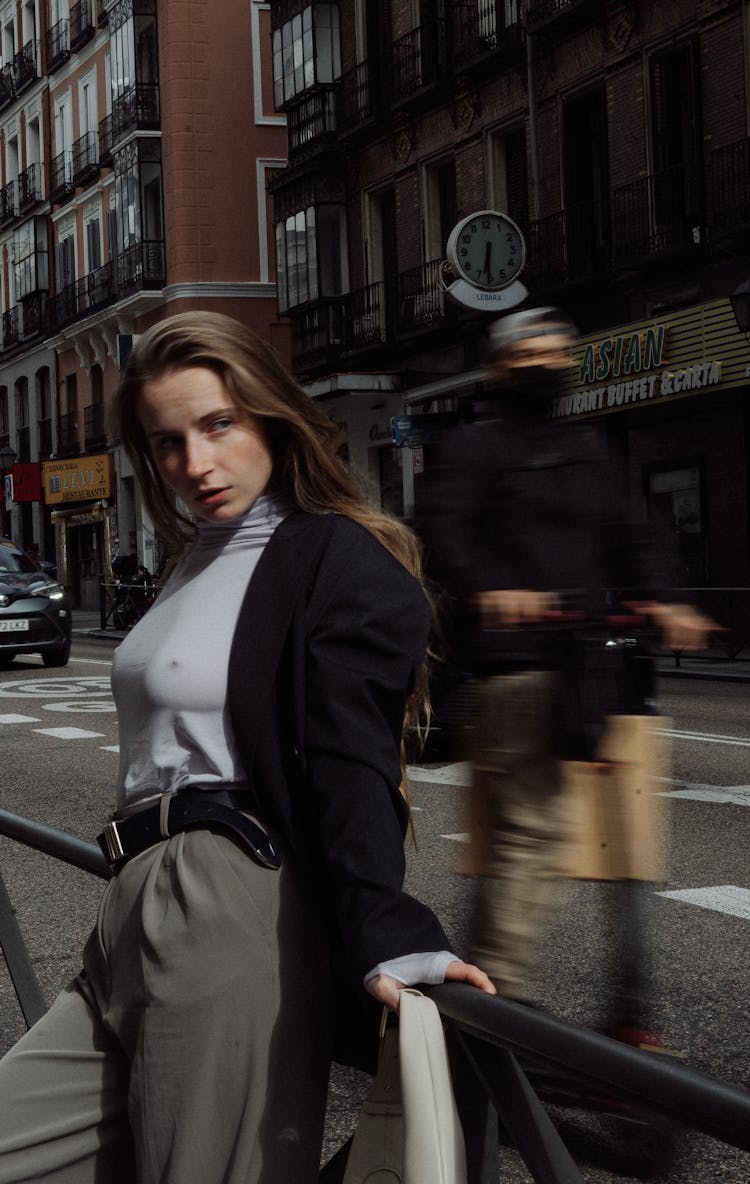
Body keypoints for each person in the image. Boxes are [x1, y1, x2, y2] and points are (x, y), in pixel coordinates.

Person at [0, 311, 494, 1184]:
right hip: (128, 904)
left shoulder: (332, 557)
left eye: (218, 424)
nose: (195, 463)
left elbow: (350, 752)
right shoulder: (195, 557)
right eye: (166, 443)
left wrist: (384, 925)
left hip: (228, 903)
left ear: (269, 414)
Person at [418, 306, 712, 1005]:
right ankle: (499, 1000)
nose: (548, 366)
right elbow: (442, 535)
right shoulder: (472, 448)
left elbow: (632, 532)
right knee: (533, 829)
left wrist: (668, 599)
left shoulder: (584, 449)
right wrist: (491, 592)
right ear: (499, 369)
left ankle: (627, 1012)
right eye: (531, 356)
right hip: (513, 671)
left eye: (558, 354)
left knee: (621, 836)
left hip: (593, 669)